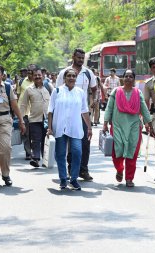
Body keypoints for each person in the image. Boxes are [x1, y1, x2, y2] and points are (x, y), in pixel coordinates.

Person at [103, 69, 153, 187]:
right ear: (123, 78)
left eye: (131, 76)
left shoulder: (138, 92)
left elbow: (144, 108)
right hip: (117, 126)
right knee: (117, 152)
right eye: (126, 76)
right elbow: (109, 108)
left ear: (134, 79)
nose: (128, 78)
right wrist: (105, 123)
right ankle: (120, 169)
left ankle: (129, 178)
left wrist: (148, 122)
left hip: (134, 127)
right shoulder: (116, 91)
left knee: (132, 152)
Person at [47, 68, 92, 190]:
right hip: (60, 127)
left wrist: (89, 127)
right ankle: (63, 178)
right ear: (64, 78)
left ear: (76, 78)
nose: (71, 78)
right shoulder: (57, 91)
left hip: (75, 128)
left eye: (73, 76)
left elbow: (84, 111)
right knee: (60, 154)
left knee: (77, 152)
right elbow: (50, 111)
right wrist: (49, 128)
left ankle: (73, 178)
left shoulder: (80, 93)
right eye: (69, 76)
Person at [56, 48, 97, 181]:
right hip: (66, 114)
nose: (80, 60)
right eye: (78, 57)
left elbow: (94, 89)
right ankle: (70, 168)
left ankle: (83, 170)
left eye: (82, 58)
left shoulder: (88, 73)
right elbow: (57, 92)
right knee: (68, 141)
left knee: (85, 142)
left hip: (83, 113)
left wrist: (94, 100)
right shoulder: (64, 73)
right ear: (73, 57)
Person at [19, 68, 50, 167]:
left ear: (43, 76)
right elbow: (23, 105)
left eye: (39, 75)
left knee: (45, 139)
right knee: (36, 139)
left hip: (47, 119)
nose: (37, 77)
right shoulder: (29, 89)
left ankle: (45, 159)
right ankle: (35, 159)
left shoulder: (48, 87)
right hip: (34, 119)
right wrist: (21, 120)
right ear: (32, 77)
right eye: (35, 75)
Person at [18, 64, 36, 160]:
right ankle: (28, 152)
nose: (30, 73)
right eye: (28, 71)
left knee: (34, 133)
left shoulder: (39, 81)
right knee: (25, 133)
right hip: (23, 111)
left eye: (32, 71)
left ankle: (35, 151)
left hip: (35, 111)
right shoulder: (21, 81)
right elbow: (17, 95)